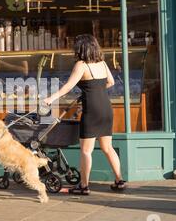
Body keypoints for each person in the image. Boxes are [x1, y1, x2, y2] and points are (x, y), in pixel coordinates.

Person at [44, 34, 126, 195]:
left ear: (81, 49)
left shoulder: (81, 65)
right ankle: (119, 180)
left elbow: (68, 86)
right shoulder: (102, 63)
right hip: (105, 108)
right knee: (107, 147)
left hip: (92, 110)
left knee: (86, 151)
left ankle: (84, 186)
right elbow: (111, 82)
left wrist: (51, 98)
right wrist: (95, 91)